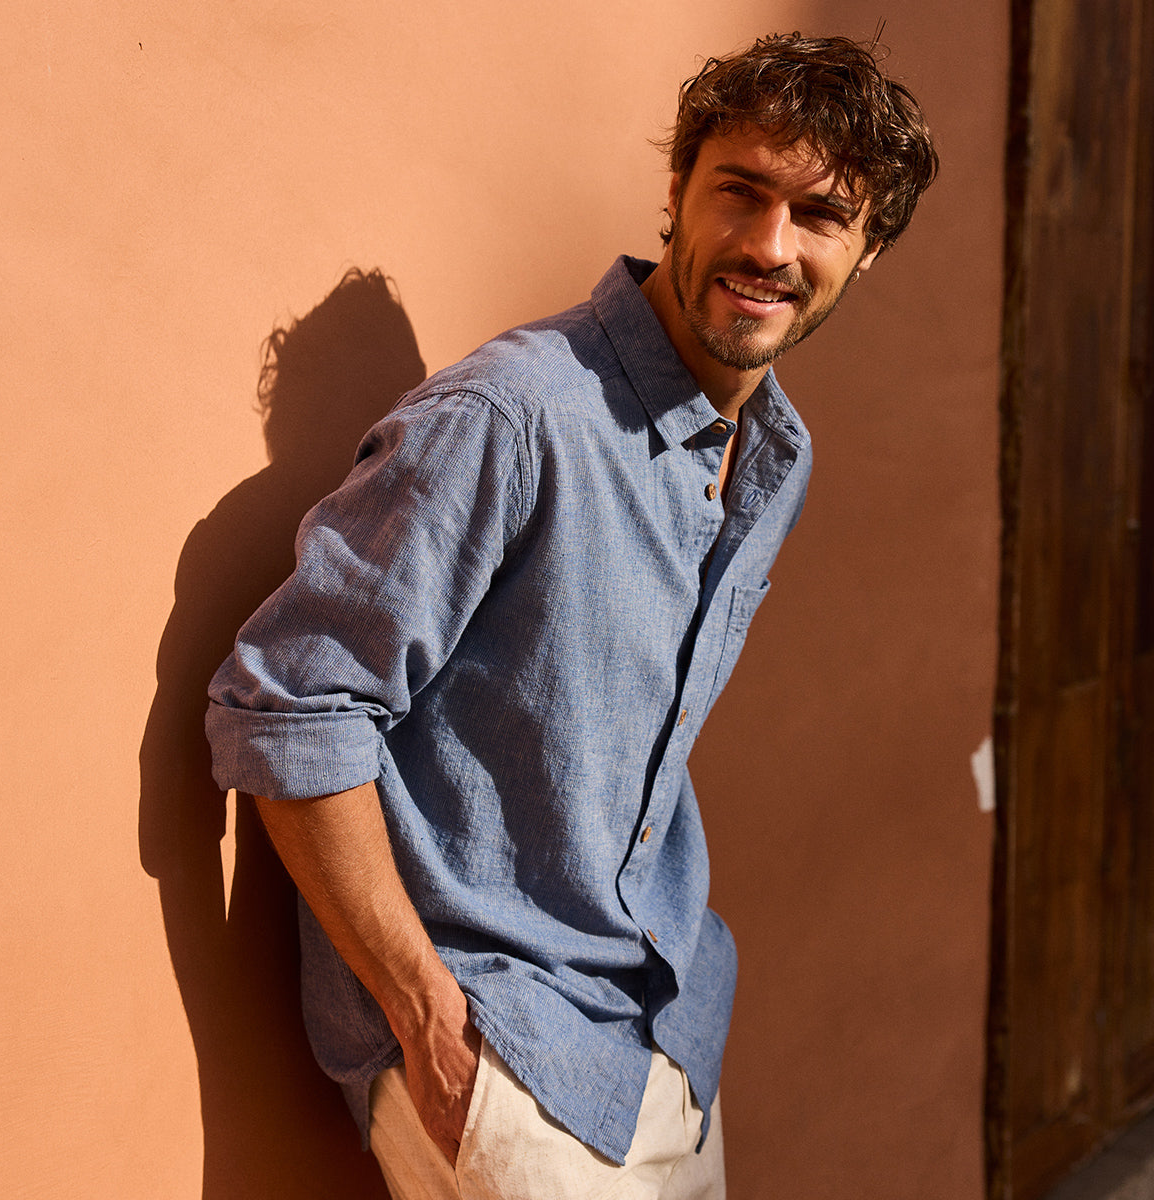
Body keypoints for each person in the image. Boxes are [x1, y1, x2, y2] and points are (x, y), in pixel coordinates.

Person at [206, 32, 937, 1200]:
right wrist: (429, 1022)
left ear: (870, 249)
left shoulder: (774, 457)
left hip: (663, 1029)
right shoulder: (511, 418)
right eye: (739, 192)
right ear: (676, 194)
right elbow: (287, 704)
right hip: (500, 1052)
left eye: (821, 215)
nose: (768, 245)